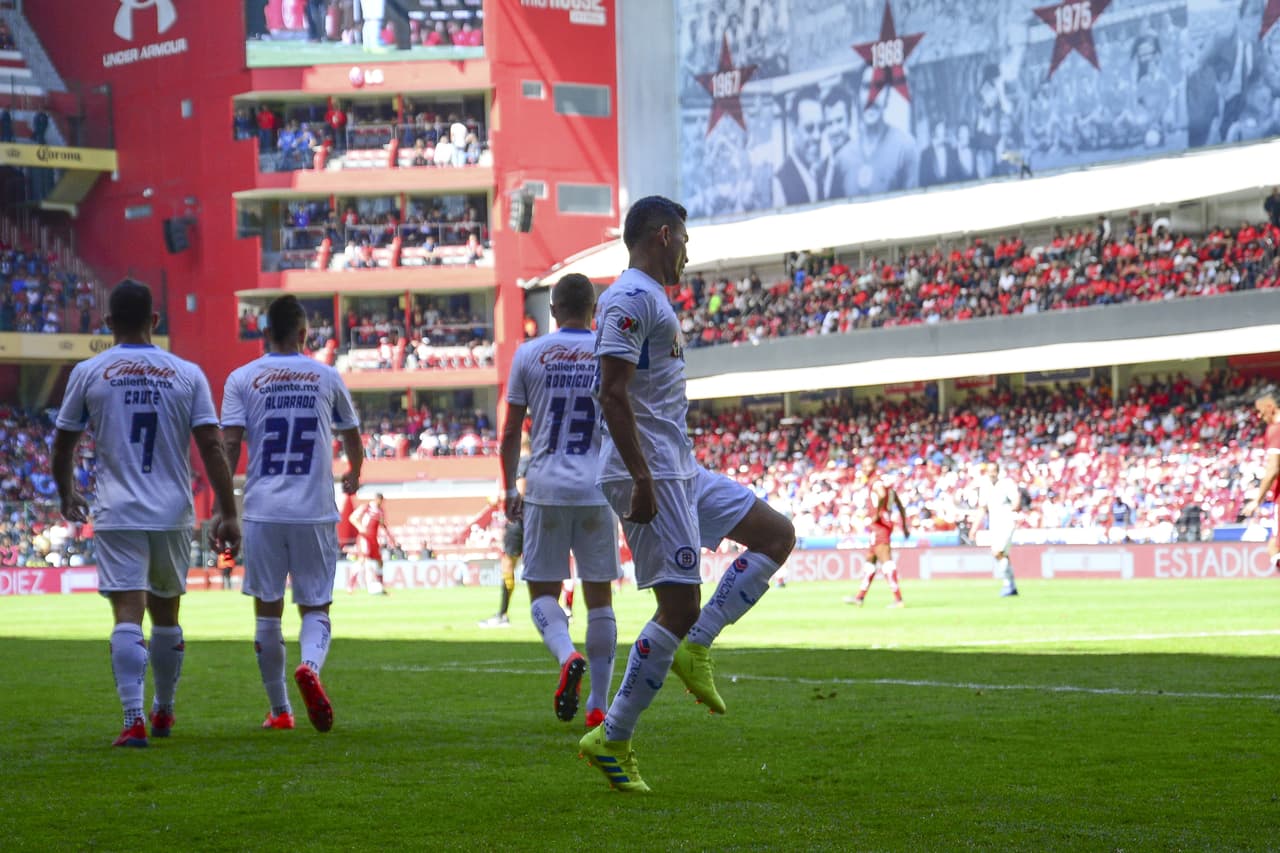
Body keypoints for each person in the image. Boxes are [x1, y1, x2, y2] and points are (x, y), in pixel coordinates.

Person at [578, 196, 795, 793]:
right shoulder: (628, 298)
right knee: (677, 606)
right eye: (687, 241)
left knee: (777, 534)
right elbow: (612, 394)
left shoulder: (652, 299)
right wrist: (642, 478)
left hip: (680, 468)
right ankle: (612, 736)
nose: (690, 253)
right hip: (650, 473)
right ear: (664, 235)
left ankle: (695, 647)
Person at [51, 279, 240, 747]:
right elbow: (213, 446)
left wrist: (66, 491)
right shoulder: (187, 373)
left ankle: (133, 718)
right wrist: (226, 510)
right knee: (168, 615)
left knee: (127, 615)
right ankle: (165, 711)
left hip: (118, 511)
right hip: (172, 511)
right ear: (155, 321)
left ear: (108, 322)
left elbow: (63, 442)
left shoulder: (89, 371)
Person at [221, 295, 364, 733]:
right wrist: (354, 473)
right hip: (314, 510)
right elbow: (353, 437)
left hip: (263, 510)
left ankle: (281, 710)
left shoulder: (242, 378)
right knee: (316, 607)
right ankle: (310, 667)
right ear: (304, 335)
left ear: (264, 333)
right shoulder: (326, 376)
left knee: (267, 613)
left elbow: (227, 446)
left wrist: (225, 506)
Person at [500, 273, 621, 727]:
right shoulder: (607, 352)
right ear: (595, 310)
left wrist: (510, 486)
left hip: (547, 488)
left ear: (552, 310)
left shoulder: (529, 353)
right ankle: (598, 706)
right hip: (597, 487)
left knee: (543, 593)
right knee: (600, 598)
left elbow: (511, 431)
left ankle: (567, 654)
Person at [845, 456, 908, 608]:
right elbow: (899, 504)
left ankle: (898, 600)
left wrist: (878, 513)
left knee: (886, 562)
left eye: (869, 465)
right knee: (870, 562)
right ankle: (859, 597)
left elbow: (880, 495)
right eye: (864, 466)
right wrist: (905, 526)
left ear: (874, 466)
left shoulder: (876, 482)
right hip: (880, 526)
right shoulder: (885, 483)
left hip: (880, 527)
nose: (866, 469)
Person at [479, 438, 529, 628]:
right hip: (533, 521)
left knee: (508, 566)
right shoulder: (538, 463)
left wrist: (500, 498)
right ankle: (557, 613)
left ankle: (502, 614)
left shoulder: (523, 463)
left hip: (518, 522)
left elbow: (521, 490)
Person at [1240, 393, 1280, 571]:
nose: (1259, 416)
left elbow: (1273, 468)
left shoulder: (1276, 429)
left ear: (1270, 406)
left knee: (1274, 547)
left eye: (1260, 411)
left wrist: (1258, 500)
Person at [972, 463, 1021, 597]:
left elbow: (1016, 498)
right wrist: (974, 528)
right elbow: (982, 509)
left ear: (998, 472)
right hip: (994, 524)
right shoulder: (985, 487)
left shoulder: (1006, 484)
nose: (992, 474)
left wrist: (1015, 507)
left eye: (994, 471)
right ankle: (1011, 586)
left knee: (997, 552)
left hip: (1007, 522)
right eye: (989, 471)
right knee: (1002, 555)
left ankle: (1007, 585)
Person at [771, 85, 823, 207]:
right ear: (793, 129)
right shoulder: (779, 185)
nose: (818, 136)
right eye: (809, 128)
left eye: (821, 127)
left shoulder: (818, 175)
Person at [349, 493, 396, 594]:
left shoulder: (381, 512)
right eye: (380, 500)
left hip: (374, 539)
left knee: (379, 562)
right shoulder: (366, 507)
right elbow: (352, 518)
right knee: (362, 559)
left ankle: (381, 586)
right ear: (376, 499)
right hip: (364, 538)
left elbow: (382, 524)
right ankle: (350, 585)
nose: (381, 503)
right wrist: (360, 527)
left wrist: (390, 538)